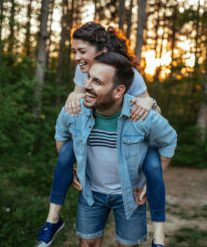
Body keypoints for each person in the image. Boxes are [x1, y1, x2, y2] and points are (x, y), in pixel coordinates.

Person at [35, 22, 169, 247]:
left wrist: (148, 102)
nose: (77, 57)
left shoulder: (129, 74)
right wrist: (75, 166)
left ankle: (159, 235)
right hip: (96, 150)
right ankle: (53, 220)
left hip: (132, 144)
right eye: (74, 51)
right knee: (67, 149)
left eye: (82, 51)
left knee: (153, 164)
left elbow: (157, 114)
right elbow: (79, 101)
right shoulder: (83, 70)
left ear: (102, 52)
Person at [58, 52, 177, 246]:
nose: (87, 85)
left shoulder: (141, 115)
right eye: (88, 77)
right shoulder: (76, 110)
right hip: (90, 194)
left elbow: (169, 140)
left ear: (118, 91)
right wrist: (69, 169)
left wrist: (150, 180)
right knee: (87, 244)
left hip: (130, 197)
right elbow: (61, 134)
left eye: (97, 81)